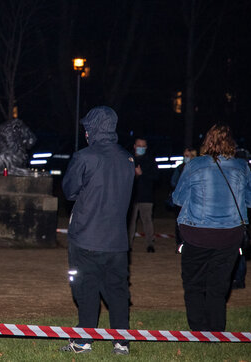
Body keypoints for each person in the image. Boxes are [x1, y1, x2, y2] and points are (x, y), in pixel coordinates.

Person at [60, 106, 134, 356]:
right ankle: (121, 341)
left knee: (86, 288)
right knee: (118, 291)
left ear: (92, 128)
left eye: (86, 128)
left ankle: (83, 341)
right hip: (117, 240)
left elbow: (69, 190)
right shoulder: (127, 158)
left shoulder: (85, 157)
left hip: (86, 237)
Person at [172, 124, 251, 332]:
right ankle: (216, 331)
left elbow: (178, 198)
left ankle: (198, 330)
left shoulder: (194, 165)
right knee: (218, 287)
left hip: (197, 233)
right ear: (232, 143)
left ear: (207, 141)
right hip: (230, 235)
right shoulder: (242, 166)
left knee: (194, 285)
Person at [128, 137, 158, 252]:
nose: (141, 148)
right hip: (131, 196)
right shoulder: (128, 158)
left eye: (143, 146)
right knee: (130, 222)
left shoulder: (150, 160)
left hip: (146, 196)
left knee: (147, 221)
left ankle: (150, 244)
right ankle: (128, 245)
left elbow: (156, 176)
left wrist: (142, 174)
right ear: (134, 146)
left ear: (146, 147)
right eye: (139, 145)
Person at [170, 148, 198, 251]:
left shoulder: (198, 168)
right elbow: (173, 182)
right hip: (182, 200)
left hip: (194, 200)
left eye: (188, 156)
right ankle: (180, 243)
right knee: (180, 223)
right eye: (185, 156)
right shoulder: (180, 168)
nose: (186, 158)